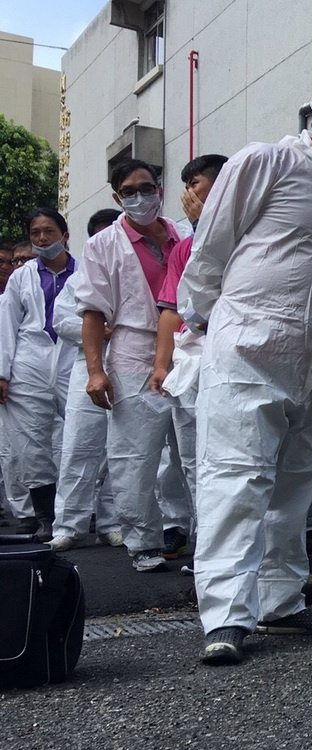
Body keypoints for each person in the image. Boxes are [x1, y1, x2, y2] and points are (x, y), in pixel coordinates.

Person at [180, 78, 312, 664]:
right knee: (236, 478)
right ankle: (224, 617)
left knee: (297, 483)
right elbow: (211, 250)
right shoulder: (265, 162)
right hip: (247, 349)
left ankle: (281, 601)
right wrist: (222, 327)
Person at [76, 160, 183, 572]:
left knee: (191, 453)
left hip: (186, 349)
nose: (140, 197)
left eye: (147, 187)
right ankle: (143, 542)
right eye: (130, 191)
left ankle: (188, 530)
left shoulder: (182, 233)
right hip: (133, 350)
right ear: (117, 198)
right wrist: (95, 370)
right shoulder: (104, 245)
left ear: (159, 188)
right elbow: (92, 312)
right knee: (134, 456)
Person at [150, 153, 231, 560]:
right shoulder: (182, 249)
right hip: (192, 361)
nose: (187, 195)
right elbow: (171, 310)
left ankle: (231, 551)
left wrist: (208, 226)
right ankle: (204, 552)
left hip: (233, 357)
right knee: (192, 462)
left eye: (194, 184)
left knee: (230, 461)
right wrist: (161, 365)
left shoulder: (249, 231)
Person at [49, 208, 125, 550]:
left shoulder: (134, 270)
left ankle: (112, 522)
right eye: (99, 234)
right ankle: (69, 524)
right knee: (78, 446)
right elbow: (62, 321)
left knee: (120, 449)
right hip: (88, 365)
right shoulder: (79, 278)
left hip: (127, 364)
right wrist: (98, 331)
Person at [0, 208, 77, 539]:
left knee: (84, 434)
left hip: (73, 356)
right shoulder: (22, 276)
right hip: (29, 361)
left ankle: (85, 512)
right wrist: (2, 373)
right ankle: (45, 515)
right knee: (31, 440)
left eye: (48, 231)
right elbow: (7, 325)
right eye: (35, 233)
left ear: (64, 234)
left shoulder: (85, 271)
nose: (42, 239)